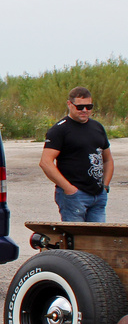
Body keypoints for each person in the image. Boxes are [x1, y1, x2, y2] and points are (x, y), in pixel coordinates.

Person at [40, 86, 113, 222]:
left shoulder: (97, 127)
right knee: (76, 240)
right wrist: (69, 189)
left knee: (96, 239)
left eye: (89, 106)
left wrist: (105, 185)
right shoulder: (59, 130)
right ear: (69, 104)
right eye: (80, 107)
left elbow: (107, 159)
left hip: (98, 195)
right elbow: (45, 162)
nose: (85, 110)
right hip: (74, 196)